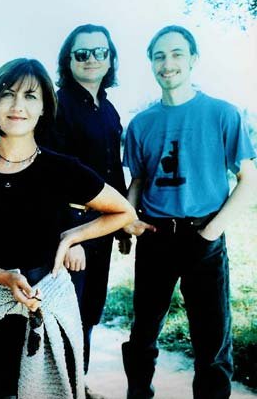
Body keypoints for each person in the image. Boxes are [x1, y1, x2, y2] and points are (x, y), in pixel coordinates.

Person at [0, 58, 136, 398]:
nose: (18, 105)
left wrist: (72, 236)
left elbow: (123, 211)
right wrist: (4, 277)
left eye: (30, 96)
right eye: (8, 94)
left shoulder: (62, 169)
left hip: (46, 309)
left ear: (44, 107)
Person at [121, 25, 257, 399]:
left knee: (212, 340)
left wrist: (211, 233)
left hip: (204, 236)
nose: (168, 63)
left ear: (194, 59)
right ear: (151, 63)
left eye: (177, 53)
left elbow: (249, 180)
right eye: (159, 56)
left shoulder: (222, 114)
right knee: (143, 333)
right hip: (156, 237)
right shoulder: (141, 124)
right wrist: (128, 220)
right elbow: (138, 180)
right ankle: (138, 393)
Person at [36, 24, 130, 398]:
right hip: (70, 231)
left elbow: (112, 171)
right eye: (82, 53)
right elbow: (49, 175)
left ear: (110, 59)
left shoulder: (109, 110)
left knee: (89, 310)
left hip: (101, 228)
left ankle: (76, 383)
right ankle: (55, 388)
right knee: (64, 312)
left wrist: (122, 226)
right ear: (68, 60)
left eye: (100, 52)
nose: (92, 59)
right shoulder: (57, 106)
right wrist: (69, 237)